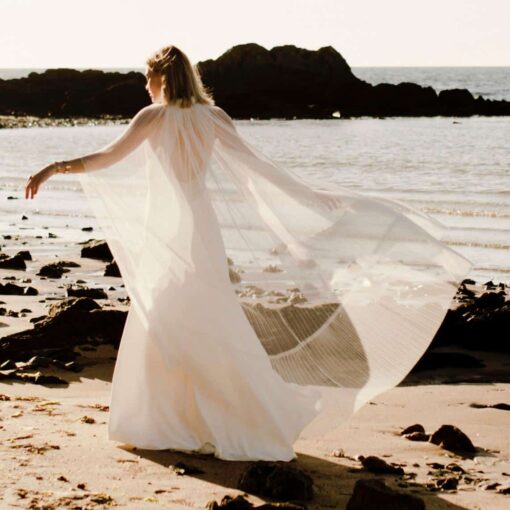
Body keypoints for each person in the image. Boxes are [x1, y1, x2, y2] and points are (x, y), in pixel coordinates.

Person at [25, 45, 472, 461]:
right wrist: (308, 195)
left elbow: (107, 158)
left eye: (148, 77)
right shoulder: (214, 117)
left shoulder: (153, 118)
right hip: (202, 229)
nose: (145, 85)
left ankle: (170, 421)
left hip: (168, 230)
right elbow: (259, 168)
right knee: (207, 321)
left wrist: (53, 168)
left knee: (166, 319)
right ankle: (208, 416)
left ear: (163, 77)